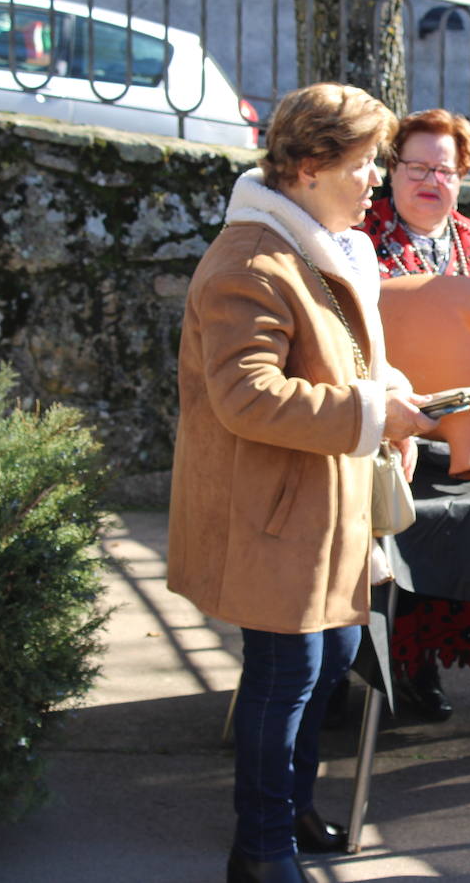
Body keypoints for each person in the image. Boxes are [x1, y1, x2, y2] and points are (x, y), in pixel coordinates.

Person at [167, 83, 436, 883]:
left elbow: (342, 365)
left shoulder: (315, 244)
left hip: (319, 509)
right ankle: (261, 848)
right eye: (363, 165)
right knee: (286, 679)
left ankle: (288, 810)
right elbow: (248, 396)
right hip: (275, 515)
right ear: (311, 165)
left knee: (331, 662)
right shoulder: (251, 258)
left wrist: (389, 402)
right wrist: (371, 414)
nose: (376, 183)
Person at [358, 108, 470, 721]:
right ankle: (344, 671)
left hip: (465, 443)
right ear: (392, 169)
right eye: (417, 166)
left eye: (446, 168)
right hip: (379, 437)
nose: (430, 179)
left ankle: (419, 666)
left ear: (462, 176)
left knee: (452, 554)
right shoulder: (356, 238)